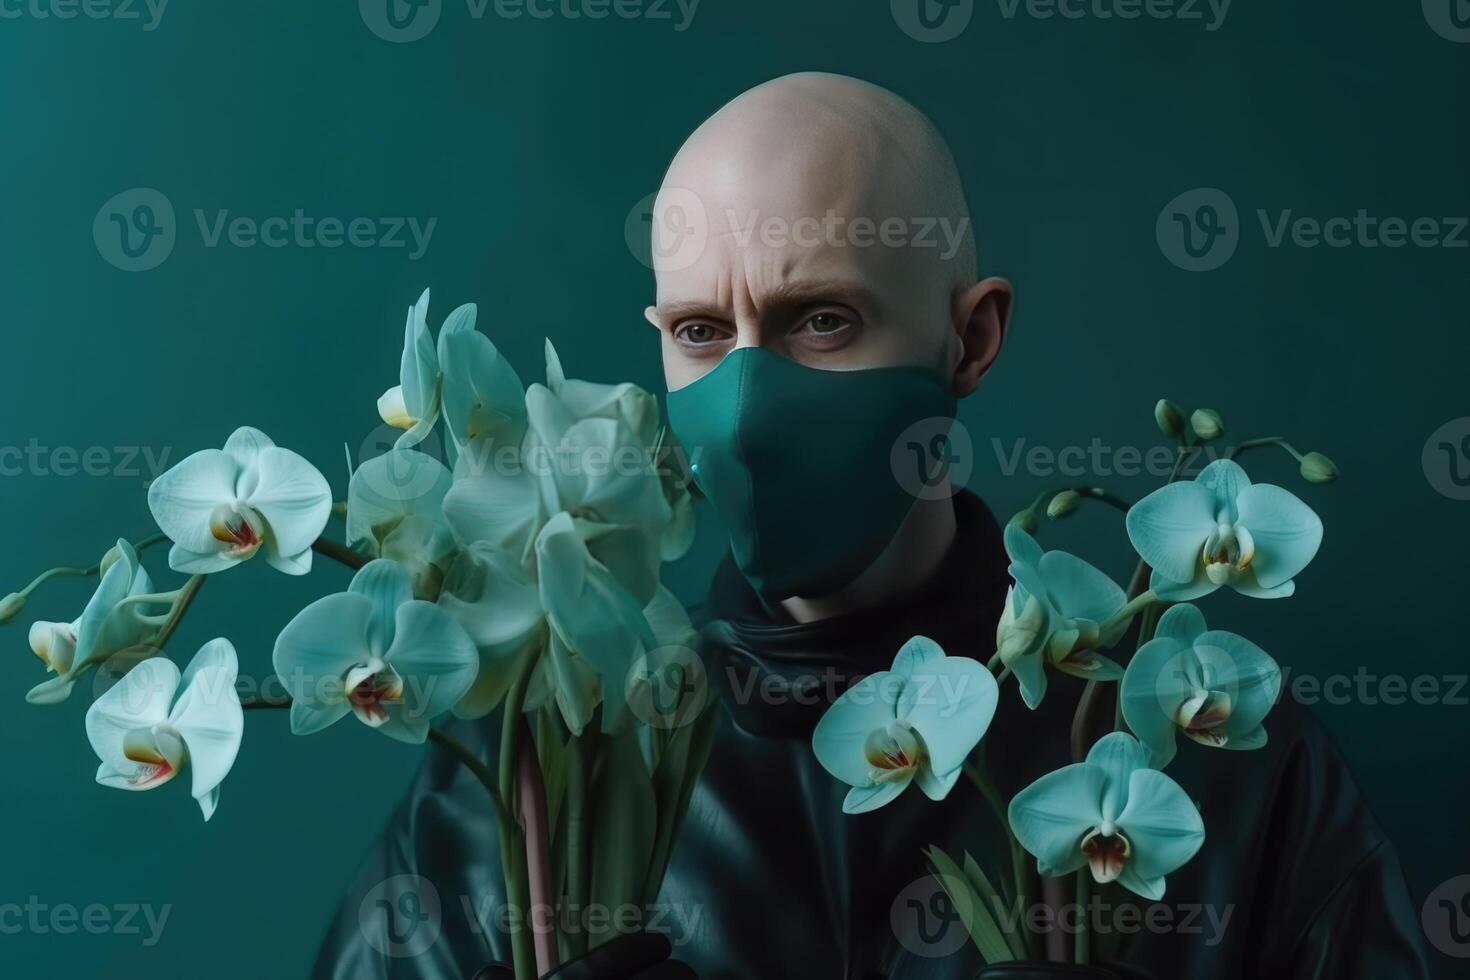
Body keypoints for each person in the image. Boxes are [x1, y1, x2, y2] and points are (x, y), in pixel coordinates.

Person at [312, 73, 1430, 980]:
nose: (746, 403)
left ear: (971, 341)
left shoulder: (1220, 759)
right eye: (702, 331)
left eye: (822, 320)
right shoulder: (529, 791)